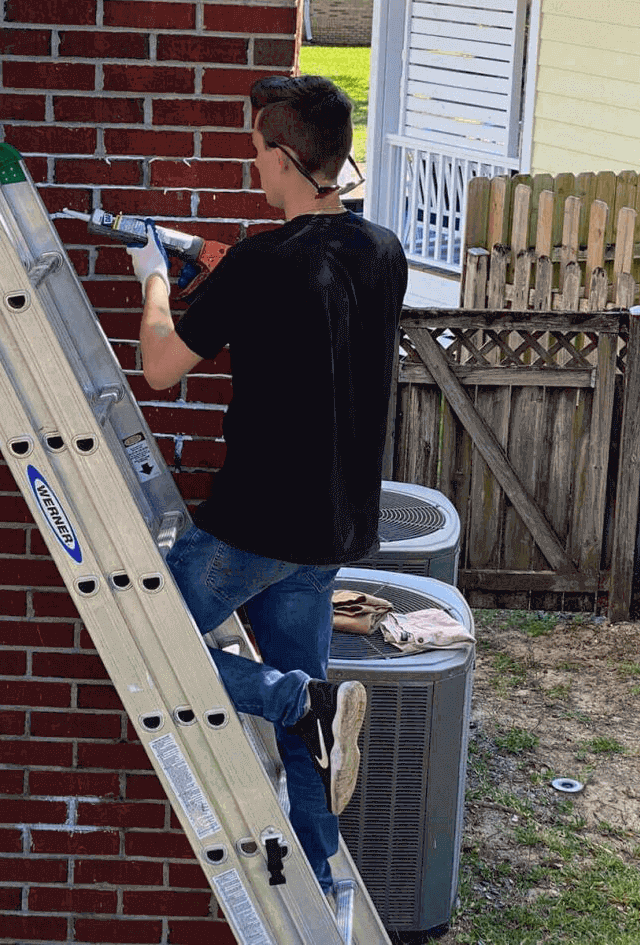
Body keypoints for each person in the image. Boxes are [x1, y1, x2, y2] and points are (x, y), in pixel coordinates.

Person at [126, 75, 408, 894]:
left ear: (285, 157)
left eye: (256, 150)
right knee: (314, 741)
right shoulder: (381, 251)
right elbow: (315, 305)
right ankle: (319, 877)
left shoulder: (258, 259)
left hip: (251, 528)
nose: (251, 164)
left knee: (155, 654)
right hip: (330, 529)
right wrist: (220, 277)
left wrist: (154, 276)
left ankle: (287, 698)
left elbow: (159, 369)